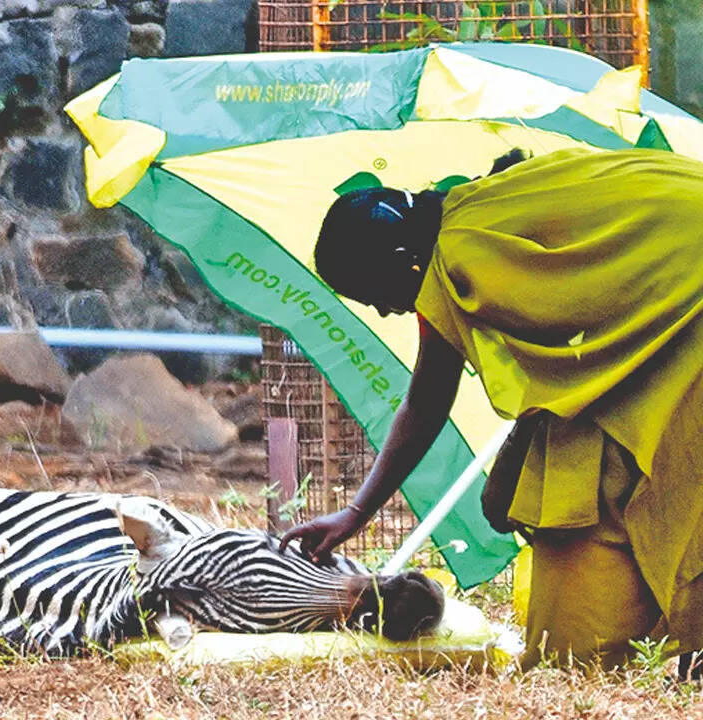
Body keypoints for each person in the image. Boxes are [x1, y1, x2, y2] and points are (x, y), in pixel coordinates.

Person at [280, 146, 703, 671]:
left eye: (377, 295)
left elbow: (433, 397)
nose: (387, 311)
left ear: (403, 260)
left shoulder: (462, 258)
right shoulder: (476, 214)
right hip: (676, 269)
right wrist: (356, 513)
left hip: (690, 289)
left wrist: (359, 511)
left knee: (664, 469)